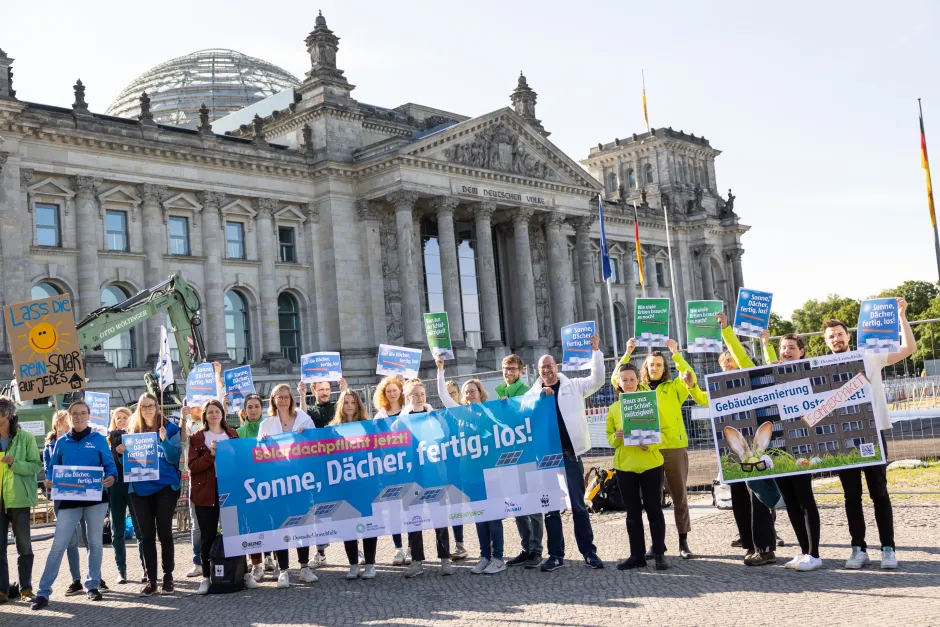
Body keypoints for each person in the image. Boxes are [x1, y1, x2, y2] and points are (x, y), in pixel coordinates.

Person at [822, 298, 914, 570]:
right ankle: (858, 549)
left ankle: (888, 548)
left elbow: (909, 348)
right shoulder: (821, 366)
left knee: (879, 494)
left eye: (840, 334)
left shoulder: (869, 355)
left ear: (849, 336)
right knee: (851, 497)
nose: (836, 339)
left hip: (872, 434)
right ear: (825, 341)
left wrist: (901, 317)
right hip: (843, 438)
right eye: (831, 336)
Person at [619, 337, 708, 559]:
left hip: (674, 446)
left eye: (659, 364)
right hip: (650, 449)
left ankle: (683, 541)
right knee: (653, 500)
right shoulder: (637, 389)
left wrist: (676, 353)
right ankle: (657, 544)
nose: (655, 368)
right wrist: (628, 352)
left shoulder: (675, 387)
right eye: (651, 364)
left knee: (679, 496)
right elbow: (616, 377)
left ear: (664, 367)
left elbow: (689, 376)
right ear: (645, 368)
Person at [523, 334, 605, 572]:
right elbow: (522, 410)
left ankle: (589, 553)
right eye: (542, 368)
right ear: (538, 371)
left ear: (556, 367)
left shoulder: (574, 386)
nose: (546, 371)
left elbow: (597, 380)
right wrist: (540, 397)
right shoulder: (533, 393)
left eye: (549, 366)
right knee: (551, 509)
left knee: (578, 506)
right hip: (547, 459)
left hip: (570, 455)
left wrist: (596, 352)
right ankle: (556, 555)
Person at [31, 400, 117, 611]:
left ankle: (92, 585)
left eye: (82, 413)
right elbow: (52, 468)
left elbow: (110, 465)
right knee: (58, 544)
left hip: (95, 498)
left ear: (88, 415)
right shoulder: (61, 442)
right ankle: (43, 592)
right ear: (69, 418)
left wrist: (112, 477)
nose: (78, 417)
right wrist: (49, 479)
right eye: (74, 414)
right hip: (69, 500)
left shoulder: (99, 440)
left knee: (95, 543)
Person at [715, 313, 780, 566]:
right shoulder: (718, 386)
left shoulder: (751, 376)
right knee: (740, 500)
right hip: (735, 451)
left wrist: (726, 331)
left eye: (733, 360)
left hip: (754, 447)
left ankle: (765, 548)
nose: (731, 364)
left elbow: (744, 357)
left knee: (758, 497)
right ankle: (750, 545)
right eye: (726, 362)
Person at [435, 358, 505, 575]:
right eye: (466, 392)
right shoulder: (461, 413)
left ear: (480, 393)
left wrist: (505, 405)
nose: (469, 394)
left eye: (473, 391)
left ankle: (498, 558)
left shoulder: (489, 411)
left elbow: (504, 428)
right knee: (480, 516)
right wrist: (440, 371)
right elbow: (444, 396)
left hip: (489, 473)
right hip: (469, 474)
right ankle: (485, 556)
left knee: (493, 516)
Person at [188, 399, 260, 594]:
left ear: (222, 414)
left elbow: (241, 459)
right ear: (205, 415)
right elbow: (192, 466)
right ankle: (206, 577)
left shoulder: (232, 434)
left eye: (217, 411)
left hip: (231, 489)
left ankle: (243, 574)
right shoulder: (197, 437)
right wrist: (210, 455)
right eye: (210, 412)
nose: (213, 415)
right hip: (206, 492)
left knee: (235, 533)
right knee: (207, 536)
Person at [605, 363, 668, 571]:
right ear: (619, 383)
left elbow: (663, 432)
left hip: (651, 463)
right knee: (632, 513)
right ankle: (637, 555)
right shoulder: (614, 409)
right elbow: (610, 439)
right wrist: (618, 436)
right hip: (625, 467)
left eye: (632, 379)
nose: (629, 383)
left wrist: (651, 445)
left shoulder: (651, 403)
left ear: (638, 380)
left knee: (654, 509)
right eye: (625, 380)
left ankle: (659, 553)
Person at [259, 383, 318, 587]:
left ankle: (304, 567)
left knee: (302, 522)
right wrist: (263, 443)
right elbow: (259, 453)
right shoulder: (266, 424)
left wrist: (306, 436)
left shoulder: (304, 419)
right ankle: (283, 570)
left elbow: (315, 445)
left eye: (286, 397)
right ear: (273, 400)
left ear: (291, 399)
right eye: (279, 397)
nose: (283, 400)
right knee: (279, 524)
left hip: (300, 480)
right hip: (277, 481)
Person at [773, 333, 823, 572]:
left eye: (791, 347)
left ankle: (815, 554)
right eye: (783, 348)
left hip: (802, 445)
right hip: (780, 446)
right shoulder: (773, 374)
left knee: (805, 500)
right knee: (790, 501)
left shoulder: (809, 372)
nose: (786, 352)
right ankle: (804, 551)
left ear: (801, 351)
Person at [127, 392, 182, 596]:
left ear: (157, 407)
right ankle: (151, 580)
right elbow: (127, 462)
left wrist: (164, 440)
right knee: (146, 535)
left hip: (165, 486)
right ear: (139, 409)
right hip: (140, 488)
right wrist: (123, 452)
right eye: (144, 406)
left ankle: (168, 576)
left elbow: (174, 457)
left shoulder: (171, 428)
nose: (148, 409)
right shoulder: (133, 431)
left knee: (164, 532)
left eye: (151, 405)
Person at [398, 379, 453, 578]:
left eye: (422, 394)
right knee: (414, 520)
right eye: (415, 394)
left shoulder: (434, 416)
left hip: (433, 474)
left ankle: (445, 558)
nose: (420, 397)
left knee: (439, 517)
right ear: (408, 397)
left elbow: (445, 436)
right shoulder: (401, 421)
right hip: (412, 476)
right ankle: (417, 561)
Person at [495, 355, 542, 569]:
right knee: (517, 505)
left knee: (533, 504)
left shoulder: (525, 392)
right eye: (506, 368)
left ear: (521, 371)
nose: (509, 372)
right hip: (508, 457)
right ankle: (526, 548)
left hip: (527, 455)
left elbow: (528, 420)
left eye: (513, 369)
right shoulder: (499, 393)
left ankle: (536, 549)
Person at [329, 389, 378, 580]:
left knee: (368, 523)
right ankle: (353, 564)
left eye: (353, 402)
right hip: (344, 484)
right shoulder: (332, 429)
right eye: (346, 402)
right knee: (347, 524)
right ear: (341, 406)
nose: (349, 406)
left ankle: (371, 564)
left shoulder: (367, 426)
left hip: (366, 483)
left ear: (358, 405)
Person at [0, 396, 42, 603]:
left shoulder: (25, 438)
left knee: (24, 547)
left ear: (8, 415)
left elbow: (36, 466)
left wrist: (14, 463)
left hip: (19, 499)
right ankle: (2, 591)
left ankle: (26, 589)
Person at [42, 410, 85, 597]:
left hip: (83, 493)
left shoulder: (78, 440)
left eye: (65, 420)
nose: (63, 424)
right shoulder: (50, 445)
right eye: (59, 421)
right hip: (63, 496)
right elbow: (49, 469)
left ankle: (96, 578)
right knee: (70, 540)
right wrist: (49, 479)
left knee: (91, 538)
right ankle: (76, 580)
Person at [235, 393, 275, 580]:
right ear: (244, 411)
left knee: (271, 521)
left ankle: (272, 558)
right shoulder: (238, 433)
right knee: (253, 524)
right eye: (249, 407)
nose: (253, 410)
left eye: (256, 406)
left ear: (262, 409)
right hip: (248, 486)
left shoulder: (271, 428)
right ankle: (256, 563)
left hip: (269, 482)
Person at [372, 375, 409, 565]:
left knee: (409, 506)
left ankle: (411, 547)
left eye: (395, 390)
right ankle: (398, 548)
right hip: (389, 468)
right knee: (394, 509)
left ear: (400, 391)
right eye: (389, 391)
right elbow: (375, 443)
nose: (392, 393)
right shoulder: (379, 417)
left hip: (408, 466)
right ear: (384, 394)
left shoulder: (408, 411)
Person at [107, 406, 146, 584]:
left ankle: (146, 569)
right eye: (118, 418)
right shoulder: (107, 440)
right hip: (115, 487)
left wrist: (128, 453)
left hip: (133, 485)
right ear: (114, 421)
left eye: (125, 417)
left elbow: (143, 462)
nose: (122, 420)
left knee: (140, 530)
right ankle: (121, 571)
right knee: (117, 531)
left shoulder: (137, 437)